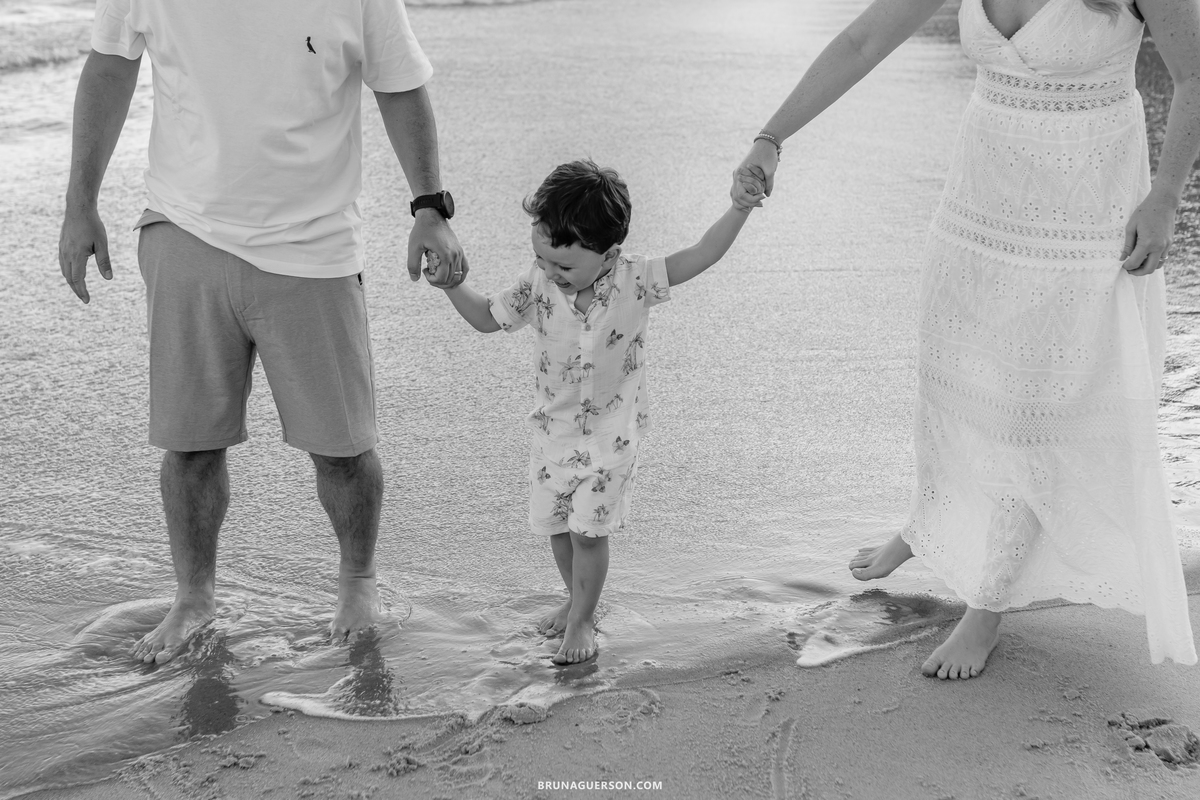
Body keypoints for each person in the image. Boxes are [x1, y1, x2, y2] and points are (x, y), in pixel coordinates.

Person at [732, 0, 1200, 678]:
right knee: (954, 377)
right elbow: (863, 41)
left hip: (1083, 218)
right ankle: (930, 519)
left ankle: (988, 606)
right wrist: (771, 138)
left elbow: (1194, 75)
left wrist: (1166, 198)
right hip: (980, 207)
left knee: (1035, 411)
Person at [57, 0, 468, 665]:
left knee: (343, 448)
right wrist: (80, 203)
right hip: (184, 228)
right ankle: (194, 597)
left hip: (315, 246)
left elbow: (399, 82)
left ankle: (357, 585)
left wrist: (430, 208)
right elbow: (109, 66)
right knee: (189, 445)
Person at [429, 160, 755, 664]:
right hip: (552, 435)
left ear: (609, 254)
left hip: (611, 438)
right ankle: (575, 599)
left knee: (587, 533)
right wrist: (451, 284)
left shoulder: (637, 279)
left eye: (564, 266)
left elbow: (702, 253)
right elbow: (487, 319)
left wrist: (738, 208)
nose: (550, 272)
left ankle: (582, 619)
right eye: (541, 258)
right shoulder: (538, 284)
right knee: (558, 529)